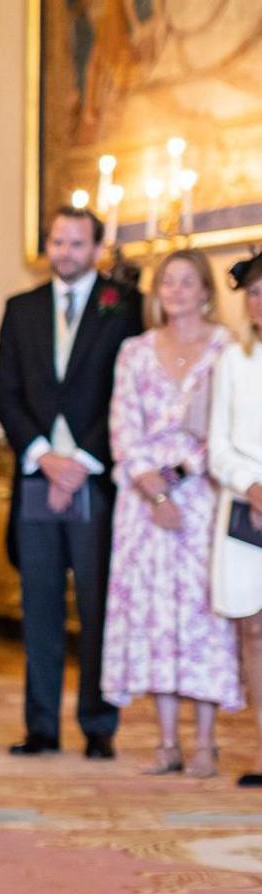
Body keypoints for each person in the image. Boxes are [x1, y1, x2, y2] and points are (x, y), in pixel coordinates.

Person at [0, 206, 144, 759]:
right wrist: (42, 456)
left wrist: (79, 459)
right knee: (41, 604)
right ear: (47, 246)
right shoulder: (20, 309)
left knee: (99, 605)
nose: (66, 253)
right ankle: (41, 726)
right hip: (37, 475)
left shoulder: (124, 308)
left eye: (77, 244)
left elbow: (126, 395)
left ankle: (99, 725)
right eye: (58, 242)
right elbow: (6, 390)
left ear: (97, 249)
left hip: (94, 478)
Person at [102, 249, 242, 778]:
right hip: (143, 504)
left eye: (188, 283)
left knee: (202, 616)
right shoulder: (134, 352)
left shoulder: (226, 349)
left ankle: (206, 741)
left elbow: (231, 427)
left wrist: (178, 479)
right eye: (169, 283)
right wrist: (151, 489)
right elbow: (123, 426)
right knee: (156, 616)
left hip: (203, 496)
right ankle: (166, 741)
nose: (177, 292)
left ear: (206, 290)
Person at [210, 249, 262, 787]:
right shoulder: (233, 359)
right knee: (254, 630)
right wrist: (250, 483)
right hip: (246, 507)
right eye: (253, 292)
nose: (260, 301)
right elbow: (217, 445)